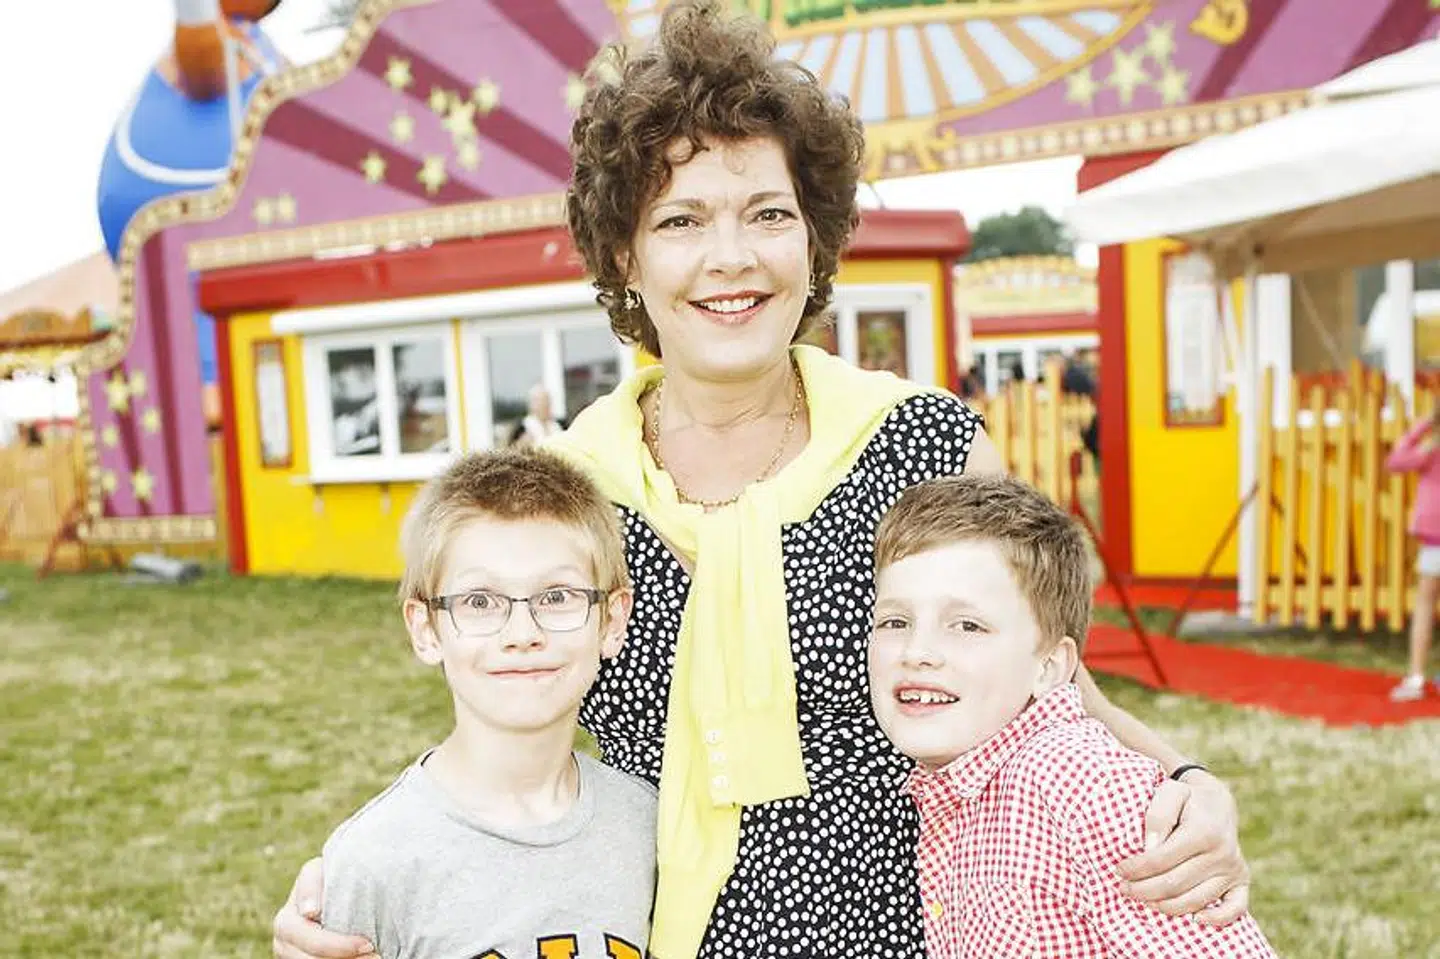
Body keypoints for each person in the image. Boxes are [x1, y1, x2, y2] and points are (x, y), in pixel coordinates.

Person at [272, 4, 1249, 957]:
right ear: (627, 253)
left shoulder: (925, 445)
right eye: (682, 219)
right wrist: (361, 886)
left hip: (933, 931)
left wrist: (1186, 780)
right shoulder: (570, 488)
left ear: (814, 238)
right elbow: (497, 727)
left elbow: (1048, 689)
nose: (730, 258)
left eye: (767, 213)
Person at [869, 474, 1277, 958]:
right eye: (896, 622)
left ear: (1050, 667)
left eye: (967, 625)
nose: (918, 651)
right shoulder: (958, 788)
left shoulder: (1084, 785)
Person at [319, 448, 656, 959]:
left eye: (558, 595)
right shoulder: (374, 861)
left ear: (611, 621)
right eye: (480, 602)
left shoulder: (646, 827)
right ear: (426, 628)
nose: (523, 633)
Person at [1384, 406, 1440, 702]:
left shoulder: (1429, 449)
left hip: (1434, 539)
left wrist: (1421, 427)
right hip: (1434, 539)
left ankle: (1416, 678)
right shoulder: (1430, 450)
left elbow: (1394, 461)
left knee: (1425, 606)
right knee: (1425, 605)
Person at [508, 383, 566, 447]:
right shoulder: (522, 428)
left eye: (547, 400)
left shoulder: (558, 425)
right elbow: (512, 451)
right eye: (541, 401)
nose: (545, 405)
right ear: (531, 404)